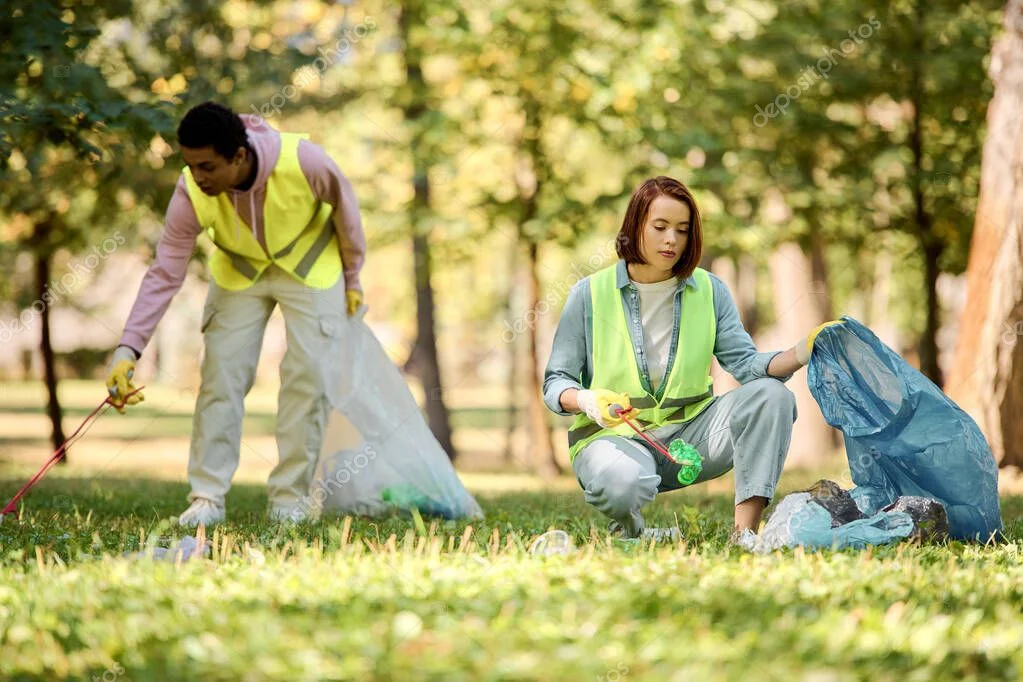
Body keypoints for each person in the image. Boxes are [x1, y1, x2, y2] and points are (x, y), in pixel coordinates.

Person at [104, 102, 367, 527]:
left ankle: (290, 500)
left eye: (207, 166)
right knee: (220, 380)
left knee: (309, 380)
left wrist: (352, 279)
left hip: (311, 265)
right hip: (240, 272)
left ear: (239, 156)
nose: (198, 176)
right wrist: (127, 350)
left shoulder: (306, 162)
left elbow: (348, 214)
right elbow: (165, 273)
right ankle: (207, 498)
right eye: (190, 166)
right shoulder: (190, 189)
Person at [543, 176, 839, 545]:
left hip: (692, 439)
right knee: (622, 483)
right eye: (660, 227)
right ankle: (631, 532)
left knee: (773, 396)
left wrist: (801, 352)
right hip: (614, 437)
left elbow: (746, 366)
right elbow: (555, 381)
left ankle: (744, 535)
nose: (672, 240)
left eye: (682, 230)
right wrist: (587, 401)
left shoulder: (710, 290)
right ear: (636, 225)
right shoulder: (588, 294)